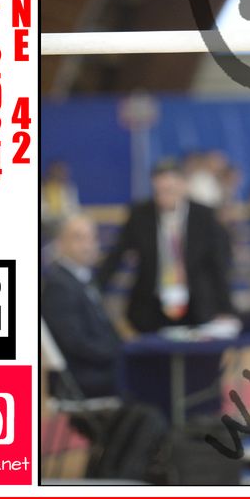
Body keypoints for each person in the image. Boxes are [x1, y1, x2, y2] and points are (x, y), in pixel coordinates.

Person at [97, 158, 235, 334]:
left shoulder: (204, 217)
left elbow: (218, 265)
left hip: (196, 304)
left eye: (170, 190)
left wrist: (225, 308)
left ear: (184, 186)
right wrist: (94, 290)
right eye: (159, 191)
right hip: (151, 304)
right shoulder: (140, 215)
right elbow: (116, 255)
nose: (165, 197)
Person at [42, 214, 123, 398]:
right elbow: (75, 342)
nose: (88, 245)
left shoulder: (85, 278)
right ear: (60, 244)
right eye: (78, 238)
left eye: (92, 238)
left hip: (100, 369)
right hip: (84, 378)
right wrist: (117, 353)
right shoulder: (59, 285)